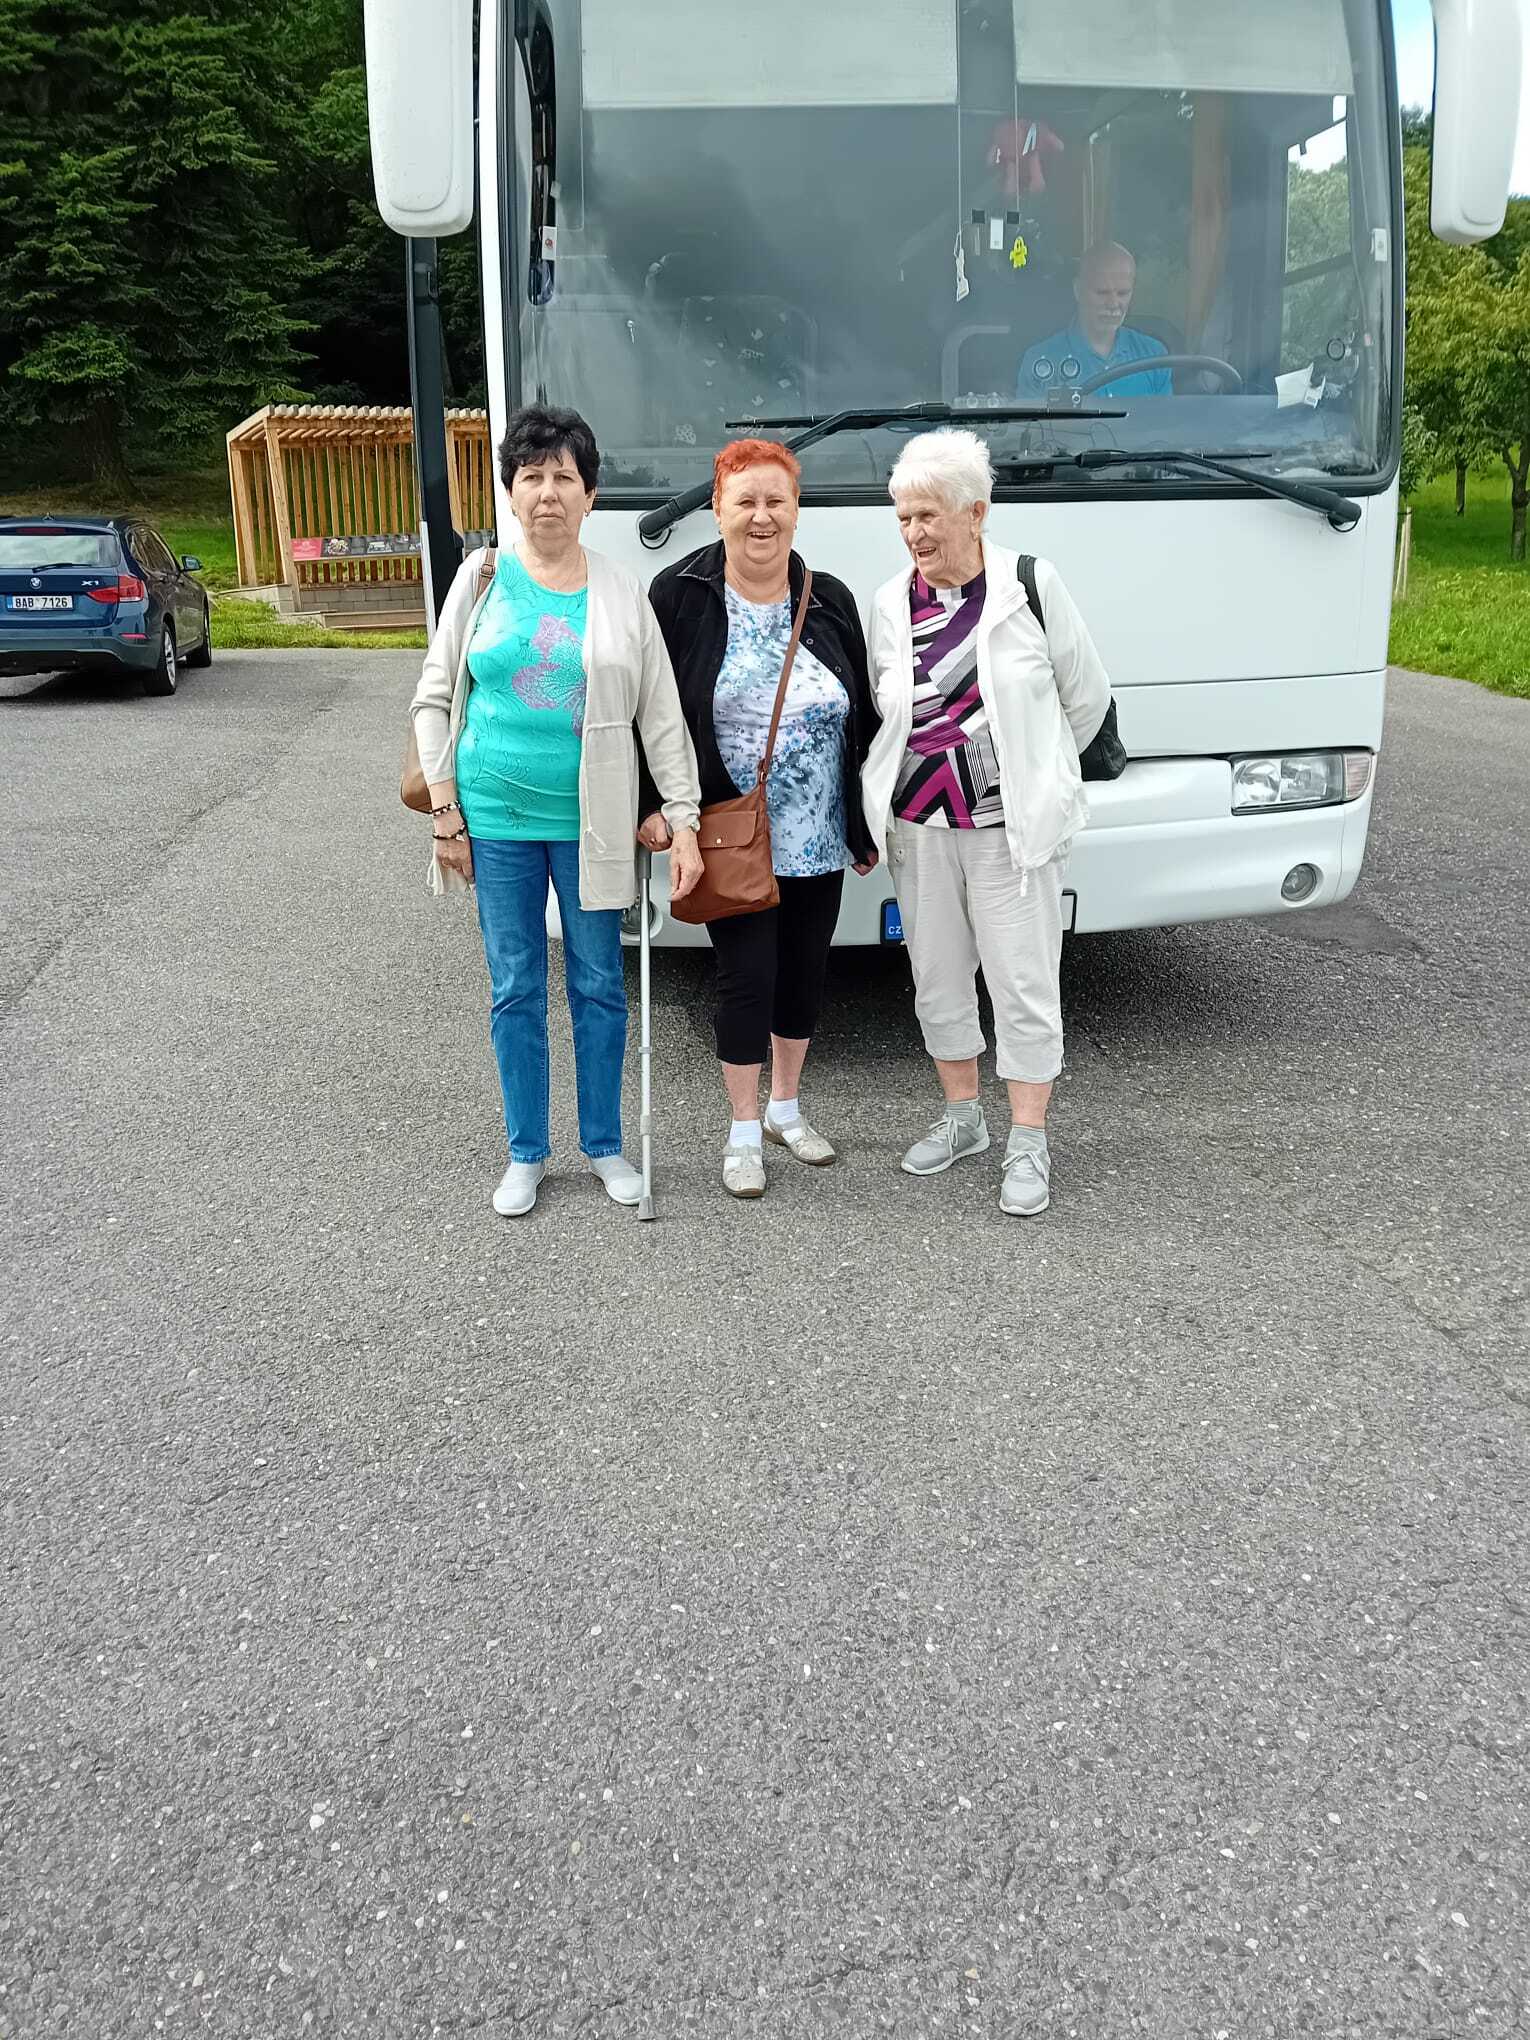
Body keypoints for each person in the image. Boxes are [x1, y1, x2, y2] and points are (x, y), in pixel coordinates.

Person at [410, 403, 703, 1219]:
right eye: (531, 476)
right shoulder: (480, 580)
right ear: (510, 492)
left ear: (590, 494)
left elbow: (661, 715)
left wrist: (682, 815)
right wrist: (446, 813)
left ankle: (604, 1145)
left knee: (600, 984)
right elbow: (432, 698)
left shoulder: (620, 589)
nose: (548, 492)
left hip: (592, 822)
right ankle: (526, 1153)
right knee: (515, 987)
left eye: (564, 477)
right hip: (494, 817)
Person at [861, 428, 1111, 1216]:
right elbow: (884, 711)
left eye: (929, 516)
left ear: (976, 512)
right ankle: (963, 1118)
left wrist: (1037, 777)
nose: (915, 533)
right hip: (919, 828)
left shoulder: (1030, 585)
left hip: (1010, 831)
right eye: (904, 518)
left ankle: (1028, 1140)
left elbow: (1086, 698)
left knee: (1022, 982)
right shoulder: (888, 603)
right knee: (937, 981)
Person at [638, 440, 880, 1200]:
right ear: (717, 510)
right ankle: (742, 1131)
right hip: (728, 831)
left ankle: (785, 1109)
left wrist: (863, 823)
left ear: (797, 511)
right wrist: (652, 806)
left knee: (804, 978)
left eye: (776, 501)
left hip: (818, 832)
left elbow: (865, 715)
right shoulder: (680, 595)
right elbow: (651, 709)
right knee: (746, 979)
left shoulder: (829, 597)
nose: (761, 516)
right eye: (745, 501)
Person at [1016, 241, 1171, 400]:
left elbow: (1165, 416)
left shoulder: (1154, 356)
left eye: (1123, 293)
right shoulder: (1039, 362)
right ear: (1078, 290)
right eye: (1102, 292)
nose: (1113, 304)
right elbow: (1029, 417)